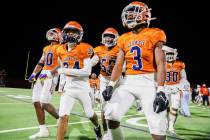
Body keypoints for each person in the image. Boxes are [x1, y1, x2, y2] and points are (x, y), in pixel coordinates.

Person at [102, 1, 169, 140]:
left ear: (144, 14)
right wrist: (110, 85)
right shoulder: (124, 38)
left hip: (150, 82)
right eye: (128, 12)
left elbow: (161, 64)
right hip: (128, 82)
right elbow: (119, 65)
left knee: (157, 128)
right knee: (111, 116)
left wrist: (161, 89)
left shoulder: (154, 33)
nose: (129, 15)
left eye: (133, 12)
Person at [49, 21, 102, 140]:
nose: (71, 34)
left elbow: (86, 72)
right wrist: (61, 86)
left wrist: (64, 71)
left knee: (89, 113)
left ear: (80, 34)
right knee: (63, 115)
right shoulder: (59, 50)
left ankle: (97, 127)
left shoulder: (85, 48)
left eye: (74, 32)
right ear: (64, 33)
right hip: (69, 88)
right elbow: (62, 70)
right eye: (68, 31)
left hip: (83, 88)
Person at [28, 28, 61, 139]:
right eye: (50, 33)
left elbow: (61, 64)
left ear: (58, 35)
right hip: (43, 73)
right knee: (36, 101)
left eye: (53, 33)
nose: (51, 35)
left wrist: (50, 73)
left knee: (44, 103)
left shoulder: (61, 47)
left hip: (52, 75)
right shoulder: (46, 48)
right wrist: (33, 74)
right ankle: (43, 130)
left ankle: (60, 118)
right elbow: (41, 62)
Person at [91, 27, 119, 139]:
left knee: (114, 108)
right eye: (106, 36)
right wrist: (87, 64)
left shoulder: (119, 49)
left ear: (116, 38)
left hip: (116, 79)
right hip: (103, 79)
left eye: (111, 36)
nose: (108, 39)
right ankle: (106, 132)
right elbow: (94, 61)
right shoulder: (98, 49)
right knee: (104, 107)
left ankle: (112, 131)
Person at [162, 45, 188, 135]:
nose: (169, 56)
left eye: (171, 54)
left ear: (175, 55)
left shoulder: (180, 64)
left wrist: (179, 86)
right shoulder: (162, 64)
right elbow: (158, 76)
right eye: (167, 54)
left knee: (175, 108)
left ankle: (171, 126)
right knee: (165, 108)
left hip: (175, 88)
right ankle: (166, 124)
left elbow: (184, 77)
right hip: (165, 88)